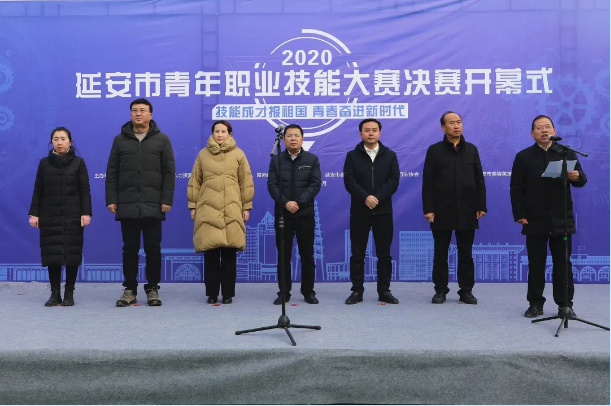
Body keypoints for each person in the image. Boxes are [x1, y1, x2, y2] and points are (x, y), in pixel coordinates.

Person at [510, 115, 587, 318]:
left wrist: (576, 176)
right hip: (534, 218)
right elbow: (516, 188)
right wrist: (519, 213)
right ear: (532, 133)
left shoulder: (566, 152)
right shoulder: (523, 156)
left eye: (547, 127)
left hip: (561, 218)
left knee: (563, 264)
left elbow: (581, 180)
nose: (544, 130)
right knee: (536, 264)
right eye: (539, 127)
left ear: (554, 130)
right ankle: (535, 303)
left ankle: (565, 304)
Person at [105, 98, 175, 307]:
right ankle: (130, 289)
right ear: (130, 114)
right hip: (127, 203)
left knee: (153, 249)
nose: (138, 114)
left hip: (153, 203)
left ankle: (152, 288)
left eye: (143, 110)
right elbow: (112, 172)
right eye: (134, 110)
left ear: (150, 115)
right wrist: (111, 199)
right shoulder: (120, 140)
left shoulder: (162, 139)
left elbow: (168, 172)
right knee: (130, 249)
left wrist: (166, 199)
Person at [422, 111, 487, 305]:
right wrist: (428, 208)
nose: (456, 126)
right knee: (440, 253)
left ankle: (466, 290)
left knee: (466, 254)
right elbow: (428, 183)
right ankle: (440, 290)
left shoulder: (472, 149)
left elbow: (479, 180)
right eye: (452, 123)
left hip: (467, 209)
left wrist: (481, 204)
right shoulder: (434, 150)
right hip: (441, 209)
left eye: (459, 122)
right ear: (443, 127)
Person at [187, 120, 254, 304]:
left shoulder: (239, 154)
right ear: (212, 134)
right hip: (207, 208)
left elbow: (246, 182)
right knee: (210, 253)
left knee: (229, 254)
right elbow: (195, 181)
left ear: (230, 134)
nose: (220, 134)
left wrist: (246, 206)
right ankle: (211, 293)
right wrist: (193, 205)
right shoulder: (203, 154)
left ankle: (227, 293)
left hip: (232, 208)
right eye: (216, 131)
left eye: (223, 131)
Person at [29, 127, 92, 306]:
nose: (59, 142)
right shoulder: (44, 163)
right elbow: (38, 190)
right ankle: (55, 293)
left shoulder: (79, 162)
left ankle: (69, 293)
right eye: (56, 139)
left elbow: (85, 190)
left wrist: (86, 212)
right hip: (50, 215)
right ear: (52, 142)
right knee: (53, 254)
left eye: (63, 139)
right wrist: (34, 213)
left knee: (72, 253)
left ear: (70, 142)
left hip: (73, 214)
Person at [343, 119, 400, 305]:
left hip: (383, 212)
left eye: (374, 130)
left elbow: (394, 180)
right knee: (357, 254)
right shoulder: (352, 156)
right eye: (367, 130)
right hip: (360, 211)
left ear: (379, 133)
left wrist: (378, 198)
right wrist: (366, 197)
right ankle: (357, 291)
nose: (370, 133)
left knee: (384, 254)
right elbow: (349, 181)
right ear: (361, 134)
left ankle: (384, 291)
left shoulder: (390, 155)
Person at [267, 124, 322, 305]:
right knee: (283, 256)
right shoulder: (276, 160)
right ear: (283, 139)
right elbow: (272, 185)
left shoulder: (312, 159)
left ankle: (308, 291)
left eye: (296, 135)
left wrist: (298, 202)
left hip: (304, 214)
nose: (293, 138)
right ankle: (284, 292)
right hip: (283, 214)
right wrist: (286, 203)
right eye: (289, 135)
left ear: (302, 139)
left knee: (307, 255)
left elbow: (315, 184)